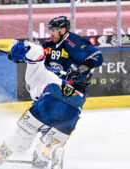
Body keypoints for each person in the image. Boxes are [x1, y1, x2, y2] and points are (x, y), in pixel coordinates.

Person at [0, 40, 101, 169]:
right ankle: (54, 149)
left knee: (20, 136)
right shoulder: (78, 91)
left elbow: (38, 52)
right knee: (46, 148)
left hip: (49, 100)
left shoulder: (40, 72)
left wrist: (23, 49)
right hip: (73, 110)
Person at [33, 16, 103, 168]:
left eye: (53, 30)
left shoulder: (75, 42)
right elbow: (36, 58)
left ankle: (46, 151)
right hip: (57, 89)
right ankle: (49, 150)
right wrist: (21, 56)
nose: (50, 33)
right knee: (50, 124)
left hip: (74, 90)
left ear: (63, 30)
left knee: (51, 121)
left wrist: (81, 69)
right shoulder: (48, 46)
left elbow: (98, 56)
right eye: (49, 30)